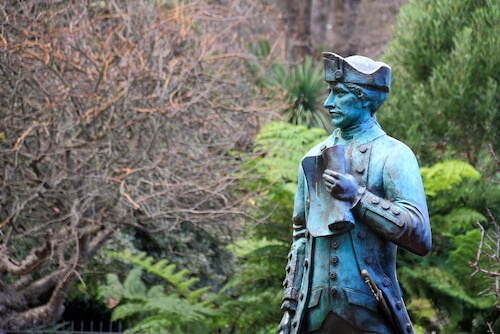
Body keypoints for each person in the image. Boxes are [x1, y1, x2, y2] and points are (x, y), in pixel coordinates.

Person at [278, 52, 432, 334]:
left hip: (371, 314)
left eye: (339, 93)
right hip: (313, 316)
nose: (328, 103)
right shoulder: (312, 157)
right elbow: (300, 238)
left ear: (365, 98)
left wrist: (357, 198)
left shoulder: (395, 155)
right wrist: (289, 308)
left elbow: (420, 235)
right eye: (329, 92)